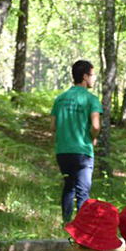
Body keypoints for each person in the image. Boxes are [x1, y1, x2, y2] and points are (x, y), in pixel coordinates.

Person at [50, 60, 102, 223]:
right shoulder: (91, 99)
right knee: (83, 192)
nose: (94, 79)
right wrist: (93, 137)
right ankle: (82, 229)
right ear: (85, 76)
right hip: (83, 152)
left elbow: (52, 126)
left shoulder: (60, 99)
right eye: (93, 75)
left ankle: (66, 223)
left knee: (68, 187)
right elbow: (95, 126)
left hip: (63, 152)